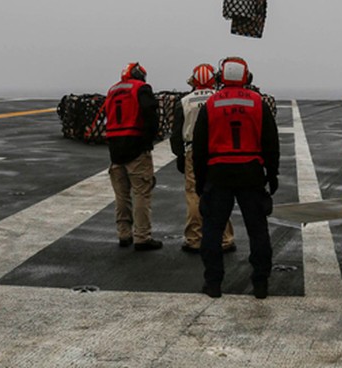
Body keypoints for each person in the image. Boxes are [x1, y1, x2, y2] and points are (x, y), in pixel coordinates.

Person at [192, 56, 280, 299]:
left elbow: (199, 148)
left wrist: (201, 182)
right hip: (251, 173)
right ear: (247, 77)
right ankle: (260, 283)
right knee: (258, 231)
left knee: (212, 230)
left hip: (218, 174)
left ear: (221, 77)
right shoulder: (257, 103)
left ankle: (213, 284)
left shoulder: (210, 104)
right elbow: (271, 142)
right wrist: (272, 175)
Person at [171, 63, 235, 254]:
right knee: (221, 194)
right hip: (218, 151)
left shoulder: (184, 102)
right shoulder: (220, 99)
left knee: (193, 194)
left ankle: (194, 239)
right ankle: (225, 239)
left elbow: (176, 134)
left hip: (193, 151)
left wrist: (180, 156)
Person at [104, 62, 162, 251]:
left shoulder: (112, 90)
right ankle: (142, 236)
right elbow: (150, 114)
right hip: (136, 148)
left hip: (115, 150)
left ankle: (123, 234)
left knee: (121, 195)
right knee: (141, 194)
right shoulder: (141, 88)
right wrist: (148, 141)